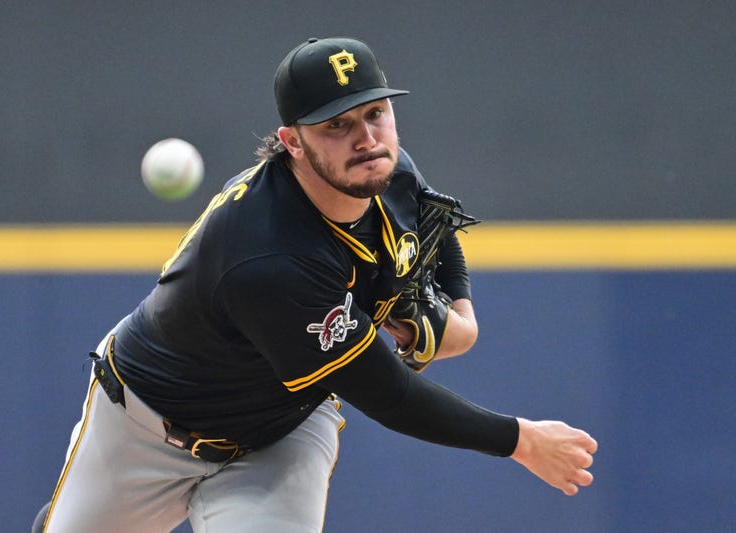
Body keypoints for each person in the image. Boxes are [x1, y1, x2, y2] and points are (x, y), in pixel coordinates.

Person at [35, 36, 597, 532]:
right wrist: (520, 440)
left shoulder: (386, 168)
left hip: (281, 434)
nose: (365, 137)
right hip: (146, 428)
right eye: (337, 125)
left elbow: (433, 229)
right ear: (292, 141)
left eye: (375, 113)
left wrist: (462, 311)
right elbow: (391, 395)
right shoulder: (268, 255)